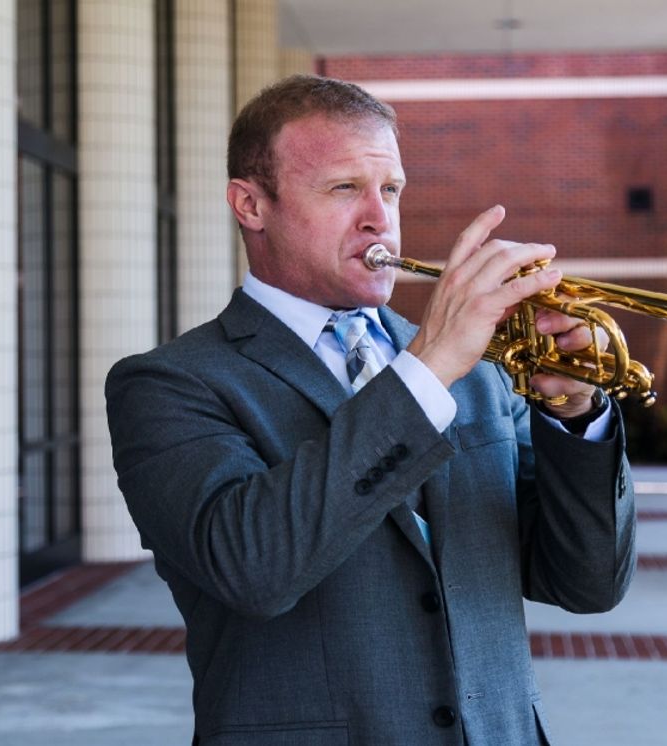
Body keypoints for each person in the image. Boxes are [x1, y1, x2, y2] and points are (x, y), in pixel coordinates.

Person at [105, 74, 636, 746]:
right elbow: (253, 569)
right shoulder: (169, 384)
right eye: (343, 189)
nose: (379, 218)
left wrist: (573, 412)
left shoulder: (479, 374)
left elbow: (587, 583)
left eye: (390, 190)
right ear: (250, 204)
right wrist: (428, 368)